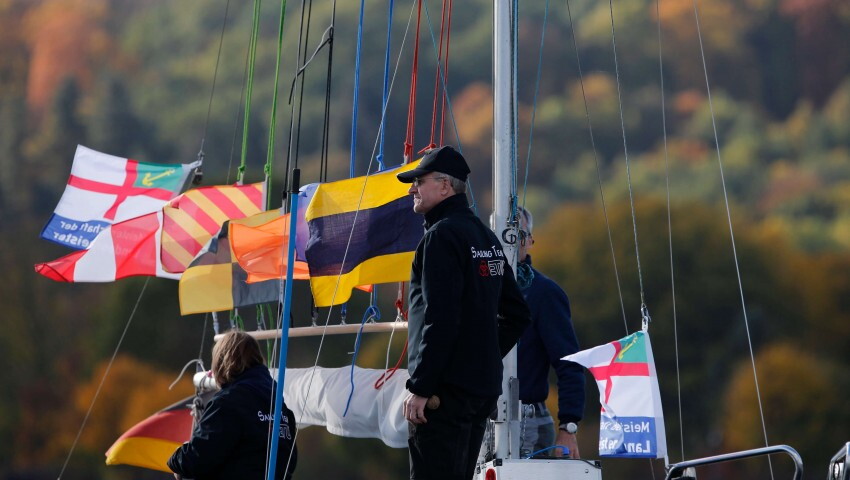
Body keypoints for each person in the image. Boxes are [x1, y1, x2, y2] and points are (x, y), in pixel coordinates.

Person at [396, 145, 531, 480]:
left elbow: (440, 319)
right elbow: (517, 314)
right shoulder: (484, 236)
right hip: (479, 391)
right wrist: (480, 356)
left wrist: (421, 387)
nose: (412, 189)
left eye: (419, 181)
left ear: (445, 186)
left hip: (443, 395)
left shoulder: (440, 237)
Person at [168, 330, 298, 480]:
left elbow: (197, 459)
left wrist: (176, 459)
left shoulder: (227, 403)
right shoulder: (280, 406)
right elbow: (290, 462)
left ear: (221, 363)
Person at [515, 206, 585, 459]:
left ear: (529, 241)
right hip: (477, 420)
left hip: (528, 424)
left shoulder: (544, 293)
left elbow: (569, 363)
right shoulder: (476, 289)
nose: (510, 242)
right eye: (502, 234)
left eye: (518, 235)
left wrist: (568, 426)